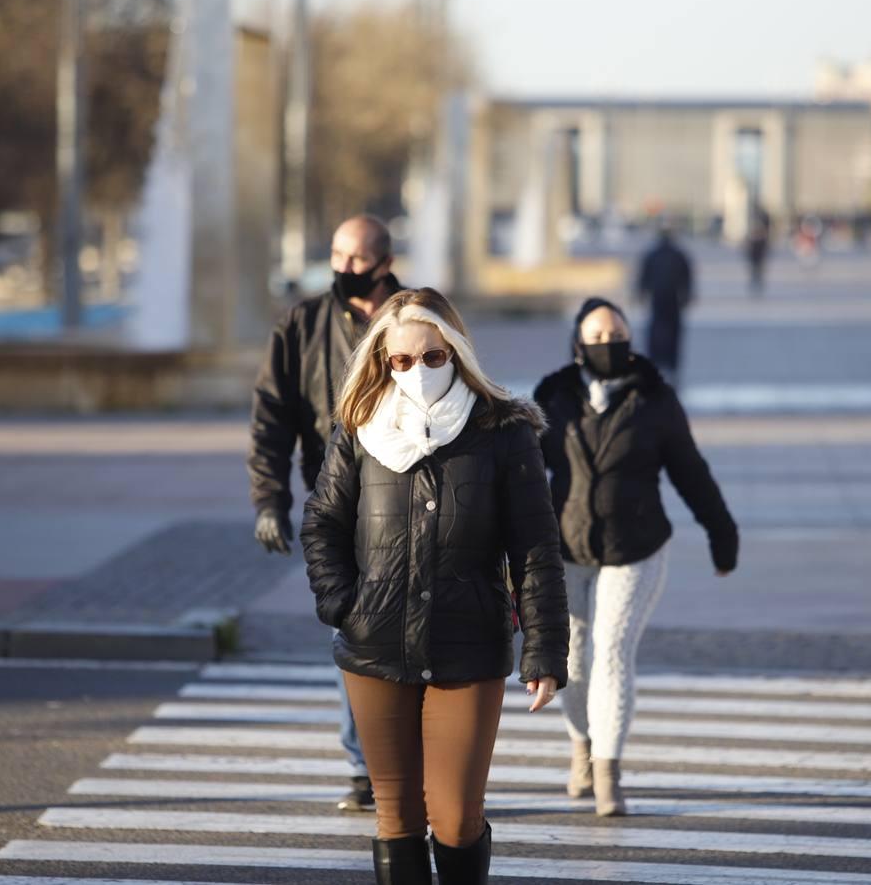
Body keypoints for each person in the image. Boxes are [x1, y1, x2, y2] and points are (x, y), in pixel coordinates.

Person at [301, 287, 568, 884]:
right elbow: (322, 521)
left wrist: (545, 649)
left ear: (457, 352)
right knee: (396, 817)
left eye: (431, 357)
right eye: (400, 360)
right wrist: (344, 604)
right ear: (382, 361)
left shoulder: (505, 430)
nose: (416, 371)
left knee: (454, 819)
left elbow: (536, 548)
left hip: (469, 646)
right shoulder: (360, 428)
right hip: (374, 646)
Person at [534, 297, 739, 817]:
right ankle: (581, 748)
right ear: (578, 345)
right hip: (569, 547)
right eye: (597, 337)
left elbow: (690, 471)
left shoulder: (655, 400)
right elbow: (522, 476)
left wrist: (722, 533)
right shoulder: (552, 397)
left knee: (612, 650)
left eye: (617, 334)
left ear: (631, 340)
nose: (609, 344)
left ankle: (608, 772)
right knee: (574, 661)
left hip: (637, 547)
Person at [247, 214, 405, 813]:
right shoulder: (302, 324)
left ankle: (407, 757)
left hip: (411, 500)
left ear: (385, 263)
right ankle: (366, 766)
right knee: (355, 630)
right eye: (337, 255)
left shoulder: (415, 320)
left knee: (415, 631)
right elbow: (271, 418)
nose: (343, 268)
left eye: (357, 258)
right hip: (337, 503)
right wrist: (269, 500)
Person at [635, 223, 693, 388]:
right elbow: (687, 278)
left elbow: (643, 277)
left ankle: (661, 364)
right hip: (669, 300)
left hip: (660, 299)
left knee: (658, 332)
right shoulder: (676, 254)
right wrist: (687, 295)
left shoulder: (656, 254)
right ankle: (667, 365)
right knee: (668, 333)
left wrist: (641, 293)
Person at [745, 206, 772, 296]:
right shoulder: (754, 238)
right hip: (755, 254)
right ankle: (755, 282)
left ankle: (758, 283)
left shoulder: (762, 239)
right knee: (755, 269)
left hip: (758, 254)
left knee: (758, 269)